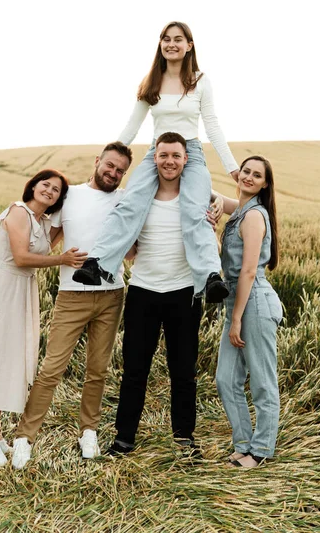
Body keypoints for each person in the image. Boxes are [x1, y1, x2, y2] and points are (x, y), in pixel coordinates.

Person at [73, 21, 239, 302]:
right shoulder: (151, 81)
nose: (171, 44)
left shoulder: (200, 81)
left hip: (192, 153)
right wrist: (109, 158)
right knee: (130, 204)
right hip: (156, 153)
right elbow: (132, 125)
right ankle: (97, 262)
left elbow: (211, 125)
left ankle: (210, 276)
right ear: (160, 44)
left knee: (195, 211)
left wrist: (232, 166)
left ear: (189, 45)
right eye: (166, 39)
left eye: (178, 39)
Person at [11, 142, 133, 469]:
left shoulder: (125, 200)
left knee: (98, 370)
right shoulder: (71, 196)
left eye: (121, 170)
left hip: (112, 294)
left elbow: (133, 249)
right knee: (52, 368)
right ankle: (24, 436)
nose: (114, 172)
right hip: (72, 294)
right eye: (110, 165)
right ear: (98, 162)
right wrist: (5, 262)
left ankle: (88, 431)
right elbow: (42, 241)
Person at [107, 133, 223, 456]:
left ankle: (184, 440)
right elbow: (128, 250)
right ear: (154, 158)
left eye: (175, 155)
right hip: (143, 291)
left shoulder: (199, 195)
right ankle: (124, 438)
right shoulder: (138, 195)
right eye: (163, 155)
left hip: (184, 294)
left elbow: (235, 205)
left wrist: (215, 212)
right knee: (134, 369)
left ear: (187, 159)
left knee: (183, 371)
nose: (169, 161)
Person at [0, 169, 75, 467]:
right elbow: (22, 258)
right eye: (45, 184)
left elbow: (52, 238)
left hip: (20, 293)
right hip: (0, 293)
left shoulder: (43, 221)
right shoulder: (18, 211)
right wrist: (61, 260)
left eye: (56, 190)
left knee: (4, 362)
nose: (49, 191)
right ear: (33, 186)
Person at [215, 156, 283, 468]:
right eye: (246, 171)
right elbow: (213, 196)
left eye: (257, 175)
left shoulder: (254, 215)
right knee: (226, 380)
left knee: (262, 381)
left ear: (265, 183)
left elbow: (248, 272)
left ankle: (261, 450)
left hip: (253, 302)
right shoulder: (240, 208)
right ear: (238, 173)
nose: (249, 177)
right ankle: (243, 444)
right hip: (238, 303)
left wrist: (237, 317)